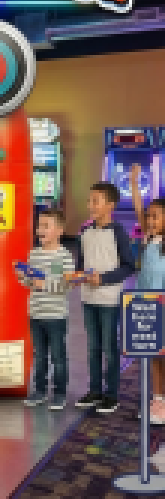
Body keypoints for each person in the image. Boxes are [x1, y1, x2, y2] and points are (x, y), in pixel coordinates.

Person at [71, 182, 136, 414]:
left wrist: (104, 278)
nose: (90, 205)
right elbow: (81, 264)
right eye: (89, 201)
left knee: (109, 347)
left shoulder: (118, 232)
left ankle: (112, 395)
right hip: (88, 299)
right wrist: (76, 277)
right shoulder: (84, 232)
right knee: (93, 347)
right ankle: (95, 390)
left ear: (110, 205)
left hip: (109, 299)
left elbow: (129, 266)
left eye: (95, 201)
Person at [14, 209, 75, 410]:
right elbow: (31, 283)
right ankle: (39, 391)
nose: (40, 230)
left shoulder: (64, 256)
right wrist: (22, 277)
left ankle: (59, 394)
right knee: (39, 355)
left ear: (59, 231)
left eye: (45, 226)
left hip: (56, 315)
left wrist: (44, 284)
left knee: (58, 356)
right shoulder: (34, 254)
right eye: (39, 225)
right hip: (36, 313)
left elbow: (66, 285)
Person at [131, 163, 165, 422]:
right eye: (149, 217)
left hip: (162, 305)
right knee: (153, 356)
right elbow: (137, 208)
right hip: (145, 305)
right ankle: (158, 400)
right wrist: (134, 182)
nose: (150, 221)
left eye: (156, 217)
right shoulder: (147, 238)